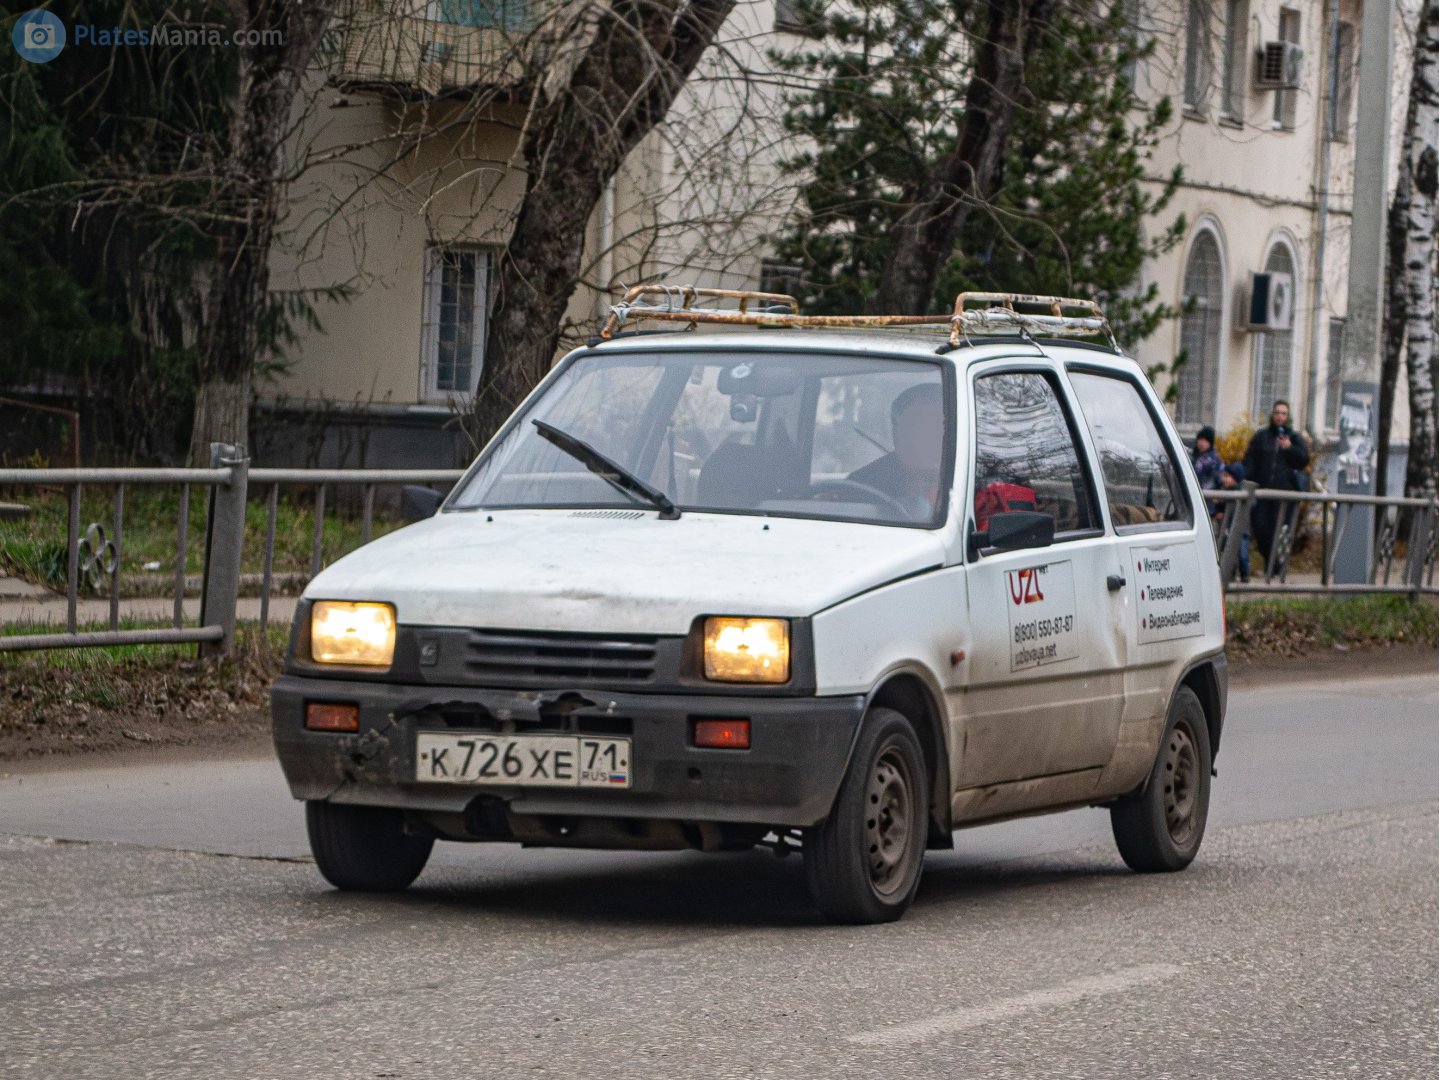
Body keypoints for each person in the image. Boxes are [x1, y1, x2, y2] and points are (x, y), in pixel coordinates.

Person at [848, 383, 944, 519]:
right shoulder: (863, 482)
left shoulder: (972, 484)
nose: (917, 436)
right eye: (910, 425)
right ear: (895, 433)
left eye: (929, 425)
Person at [1242, 400, 1309, 565]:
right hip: (1264, 491)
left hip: (1285, 494)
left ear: (1288, 416)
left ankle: (1277, 568)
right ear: (1273, 415)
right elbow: (1250, 460)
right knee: (1262, 528)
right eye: (1277, 413)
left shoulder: (1294, 437)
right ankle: (1269, 562)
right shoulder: (1262, 437)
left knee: (1281, 532)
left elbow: (1303, 460)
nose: (1280, 417)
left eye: (1283, 413)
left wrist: (1289, 448)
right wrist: (1243, 478)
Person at [1191, 425, 1224, 491]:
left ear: (1210, 443)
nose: (1202, 443)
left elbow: (1220, 481)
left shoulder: (1215, 460)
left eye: (1206, 441)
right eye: (1200, 439)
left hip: (1207, 495)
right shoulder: (1193, 456)